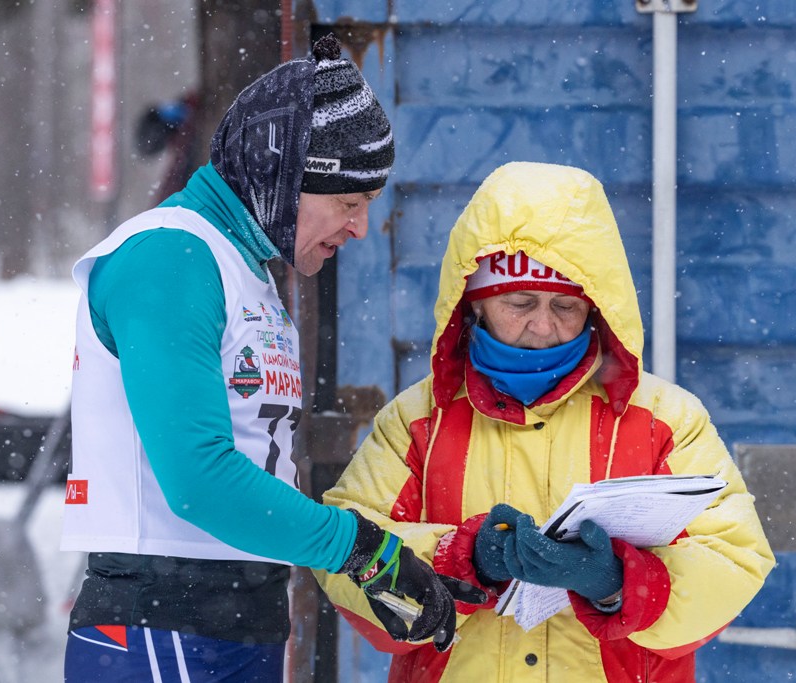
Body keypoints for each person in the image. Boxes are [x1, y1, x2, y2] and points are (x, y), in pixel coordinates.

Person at [61, 34, 484, 682]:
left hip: (233, 620)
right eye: (348, 203)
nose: (360, 228)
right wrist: (361, 550)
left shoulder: (244, 269)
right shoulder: (170, 258)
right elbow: (198, 478)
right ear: (282, 178)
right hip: (163, 622)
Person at [314, 161, 776, 681]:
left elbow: (735, 562)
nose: (543, 325)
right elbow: (342, 555)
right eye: (520, 302)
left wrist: (619, 582)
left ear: (597, 309)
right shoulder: (417, 420)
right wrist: (461, 557)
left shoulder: (666, 420)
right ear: (476, 302)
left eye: (566, 306)